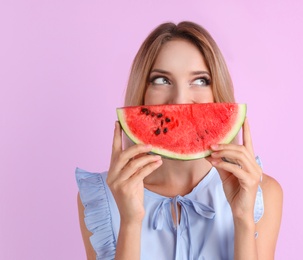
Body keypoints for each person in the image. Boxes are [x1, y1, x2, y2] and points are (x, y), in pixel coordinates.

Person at [76, 21, 283, 260]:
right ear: (141, 91)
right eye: (162, 80)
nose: (180, 99)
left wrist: (243, 219)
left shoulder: (262, 192)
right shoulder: (102, 198)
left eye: (200, 80)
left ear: (218, 92)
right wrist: (130, 221)